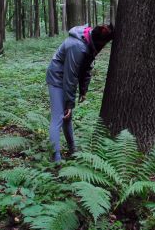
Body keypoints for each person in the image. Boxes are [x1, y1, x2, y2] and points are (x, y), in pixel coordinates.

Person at [46, 24, 114, 162]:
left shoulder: (88, 41)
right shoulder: (77, 46)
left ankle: (72, 150)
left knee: (67, 117)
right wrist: (69, 103)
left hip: (65, 79)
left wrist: (83, 90)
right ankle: (55, 159)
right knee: (58, 117)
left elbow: (86, 67)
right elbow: (70, 77)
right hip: (57, 78)